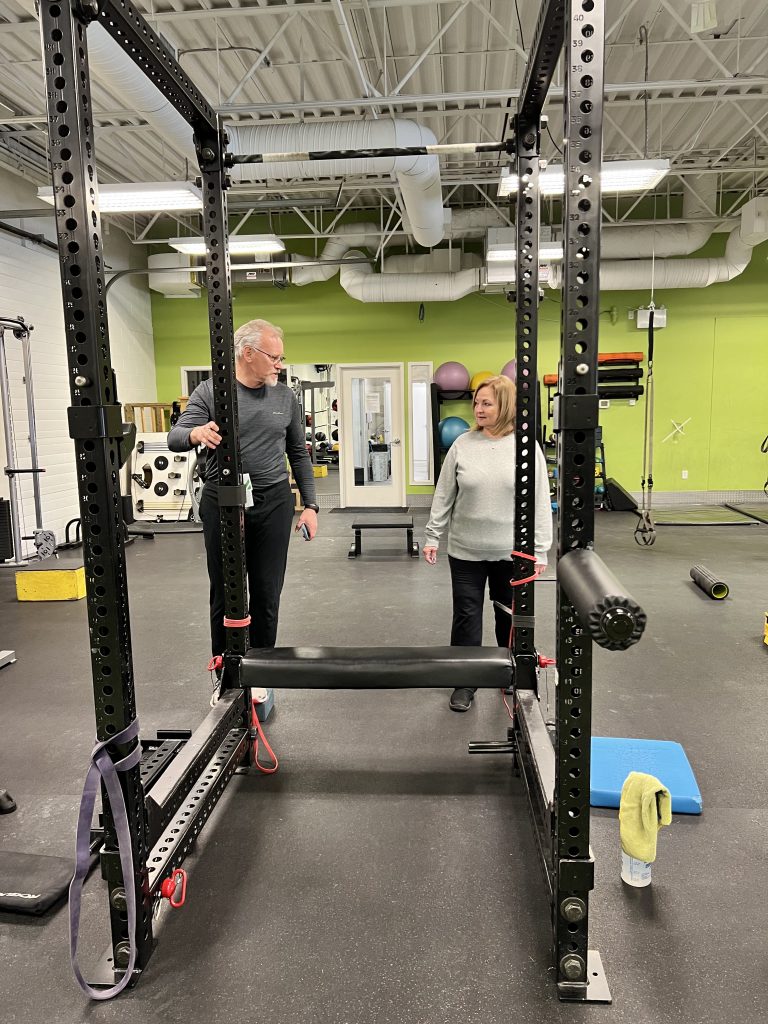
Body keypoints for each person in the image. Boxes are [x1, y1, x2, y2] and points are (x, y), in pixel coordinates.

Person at [168, 318, 319, 701]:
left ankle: (261, 670)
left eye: (282, 358)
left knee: (267, 591)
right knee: (225, 591)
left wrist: (311, 505)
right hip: (222, 500)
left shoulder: (285, 398)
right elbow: (175, 437)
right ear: (248, 353)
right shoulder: (210, 392)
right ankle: (225, 673)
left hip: (273, 501)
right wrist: (196, 433)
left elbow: (298, 452)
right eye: (274, 357)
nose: (280, 365)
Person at [423, 375, 552, 712]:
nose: (478, 409)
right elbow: (444, 494)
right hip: (465, 551)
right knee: (466, 616)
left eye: (486, 403)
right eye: (476, 403)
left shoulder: (526, 447)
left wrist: (540, 549)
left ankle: (510, 673)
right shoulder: (462, 444)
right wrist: (433, 535)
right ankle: (465, 681)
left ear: (504, 406)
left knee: (508, 616)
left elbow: (540, 500)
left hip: (511, 552)